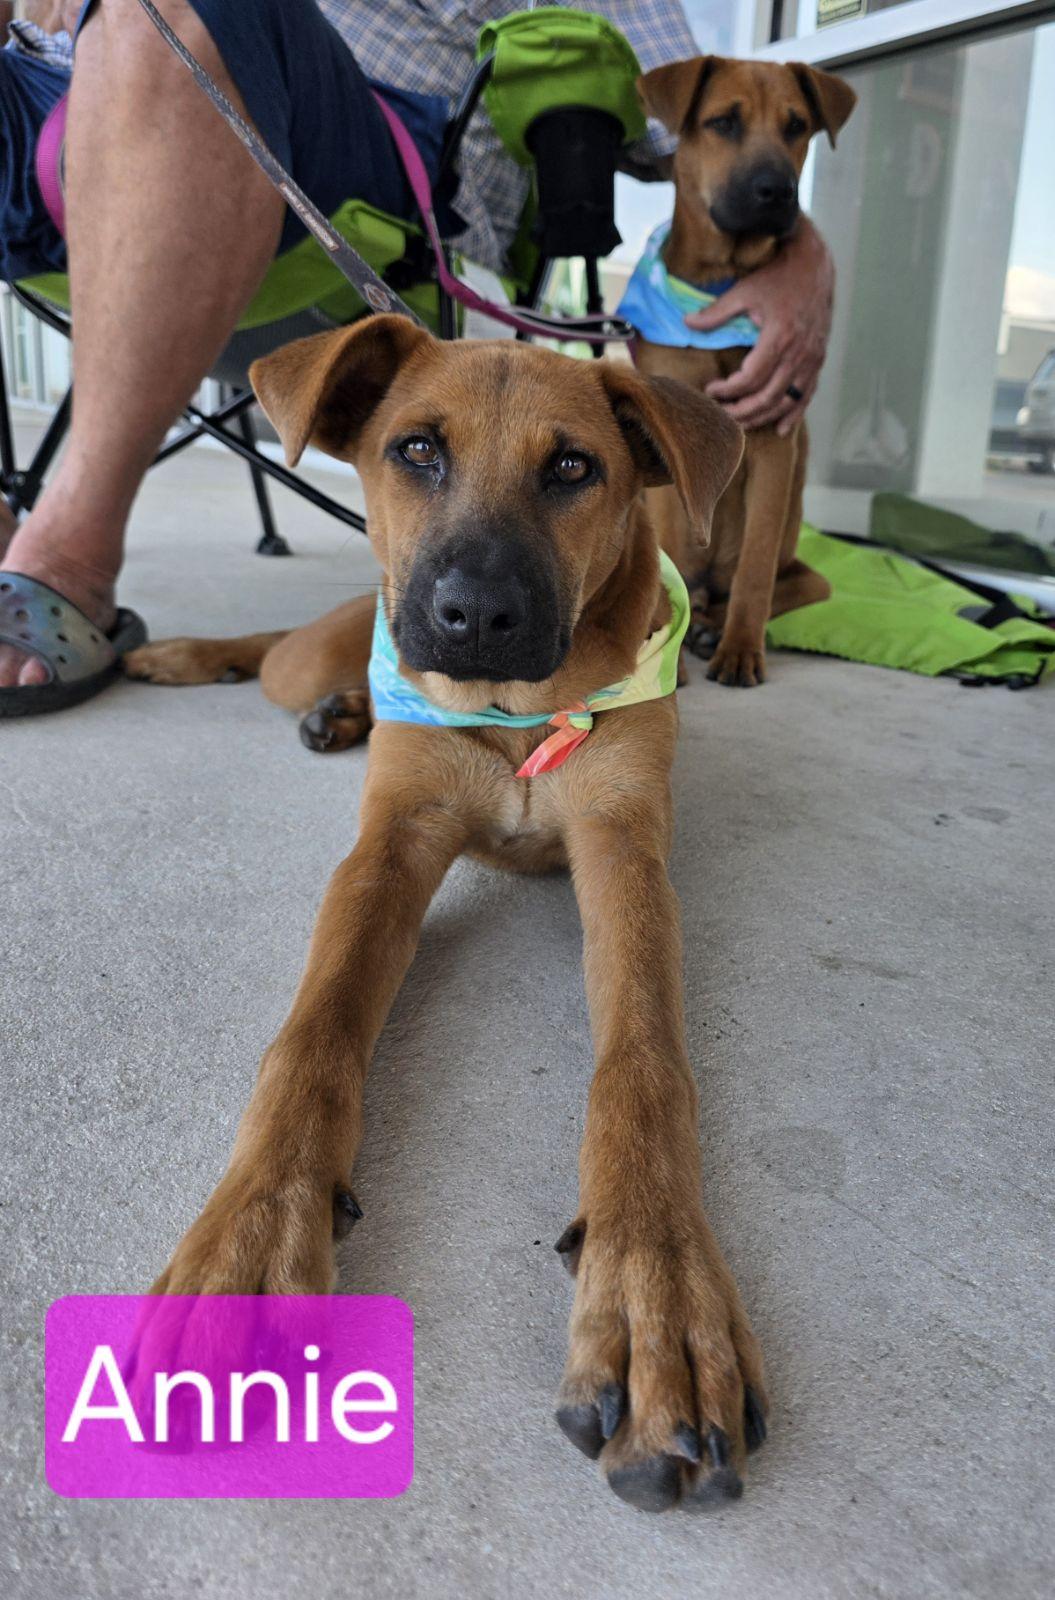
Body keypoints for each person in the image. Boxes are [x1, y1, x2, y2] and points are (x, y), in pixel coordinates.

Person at [0, 0, 835, 707]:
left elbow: (688, 130)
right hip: (68, 121)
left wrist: (802, 256)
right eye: (419, 452)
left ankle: (67, 554)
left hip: (360, 179)